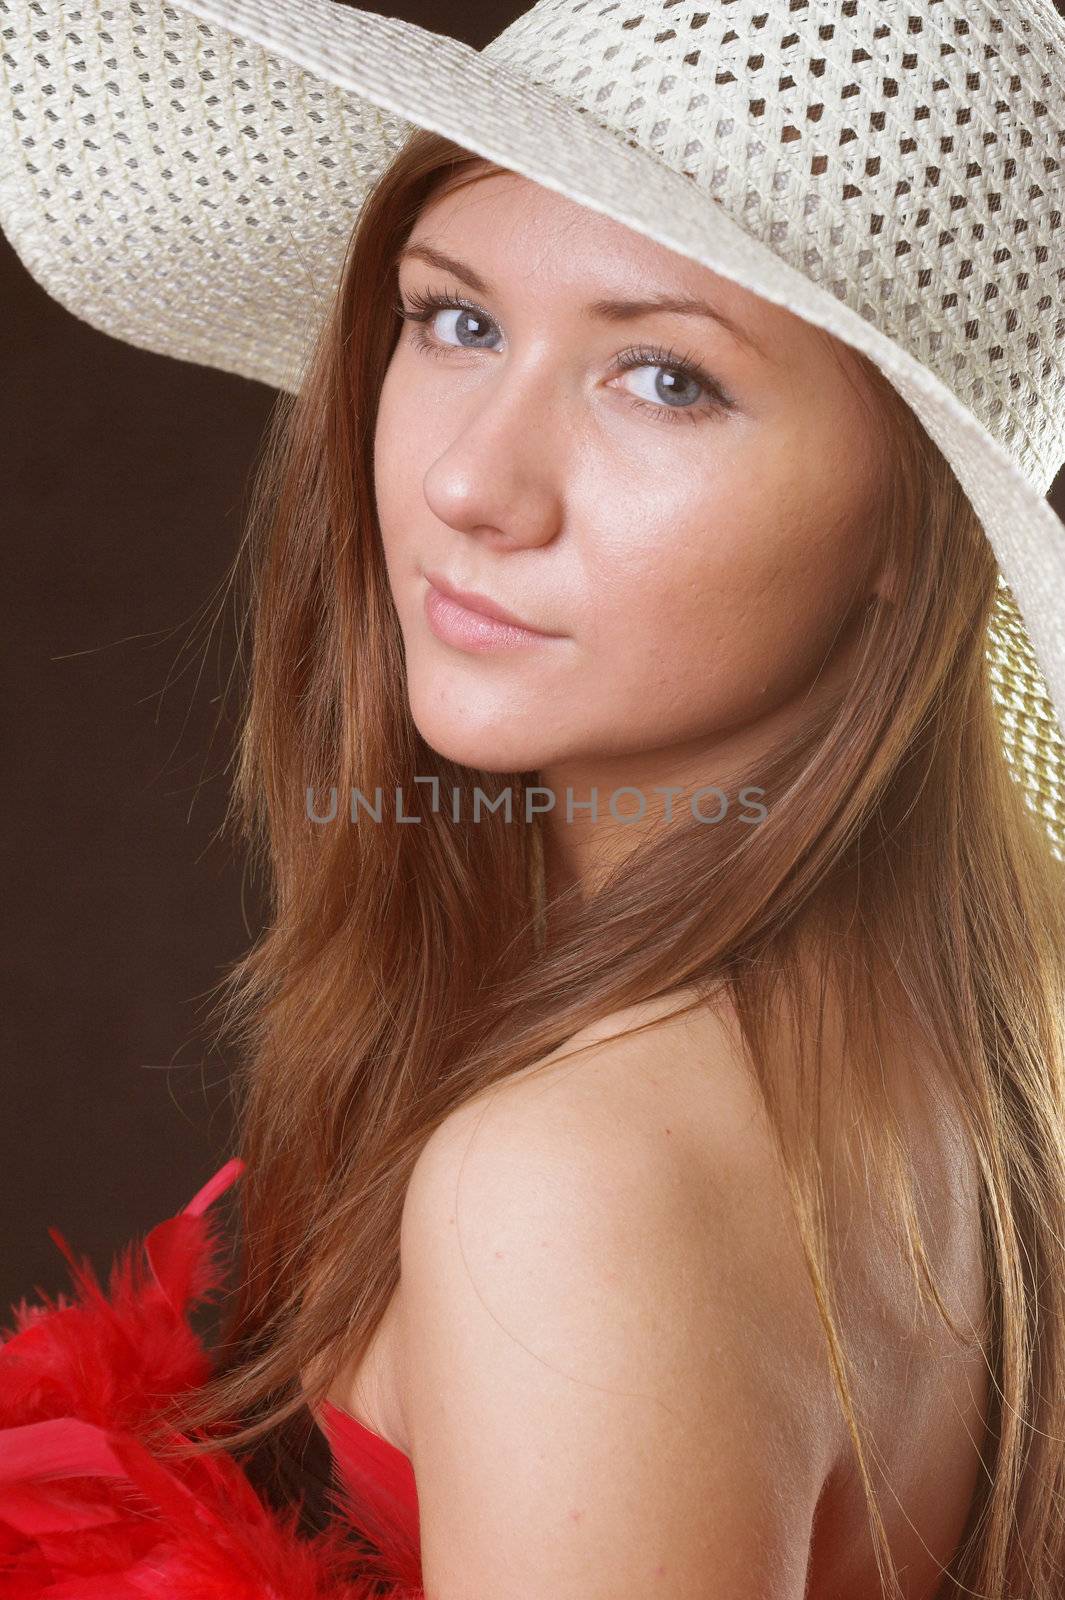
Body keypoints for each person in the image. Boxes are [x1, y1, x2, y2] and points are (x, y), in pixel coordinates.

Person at [1, 1, 1064, 1596]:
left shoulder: (579, 1182)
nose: (467, 486)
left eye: (665, 378)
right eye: (456, 321)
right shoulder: (987, 1047)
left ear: (911, 532)